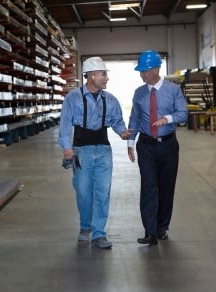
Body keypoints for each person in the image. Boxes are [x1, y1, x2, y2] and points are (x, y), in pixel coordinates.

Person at [58, 56, 132, 249]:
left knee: (102, 192)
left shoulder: (111, 99)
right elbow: (65, 124)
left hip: (104, 150)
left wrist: (123, 133)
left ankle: (99, 233)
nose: (106, 78)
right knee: (83, 192)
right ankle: (85, 226)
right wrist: (66, 147)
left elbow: (117, 122)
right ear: (91, 75)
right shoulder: (73, 98)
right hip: (81, 150)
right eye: (103, 74)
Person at [127, 50, 188, 246]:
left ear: (156, 69)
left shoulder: (173, 90)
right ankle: (150, 232)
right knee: (148, 188)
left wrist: (167, 119)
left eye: (144, 71)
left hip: (169, 145)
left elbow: (183, 113)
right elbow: (134, 119)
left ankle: (162, 228)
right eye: (141, 71)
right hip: (146, 146)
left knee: (166, 188)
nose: (142, 74)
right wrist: (130, 143)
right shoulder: (139, 92)